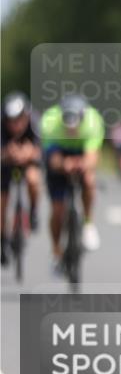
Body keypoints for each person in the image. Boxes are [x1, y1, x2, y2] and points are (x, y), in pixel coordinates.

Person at [40, 94, 105, 271]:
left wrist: (82, 164)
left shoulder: (93, 121)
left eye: (74, 125)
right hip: (59, 155)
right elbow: (52, 159)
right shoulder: (50, 122)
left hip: (81, 152)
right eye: (67, 125)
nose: (71, 129)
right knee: (58, 210)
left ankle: (88, 223)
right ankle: (55, 250)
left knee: (89, 180)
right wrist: (63, 164)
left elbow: (92, 158)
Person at [1, 92, 42, 266]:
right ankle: (3, 239)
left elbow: (42, 152)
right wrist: (7, 154)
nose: (15, 125)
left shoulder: (34, 123)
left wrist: (29, 153)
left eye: (19, 119)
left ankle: (33, 211)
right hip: (5, 164)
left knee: (33, 179)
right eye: (11, 120)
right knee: (2, 204)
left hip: (28, 162)